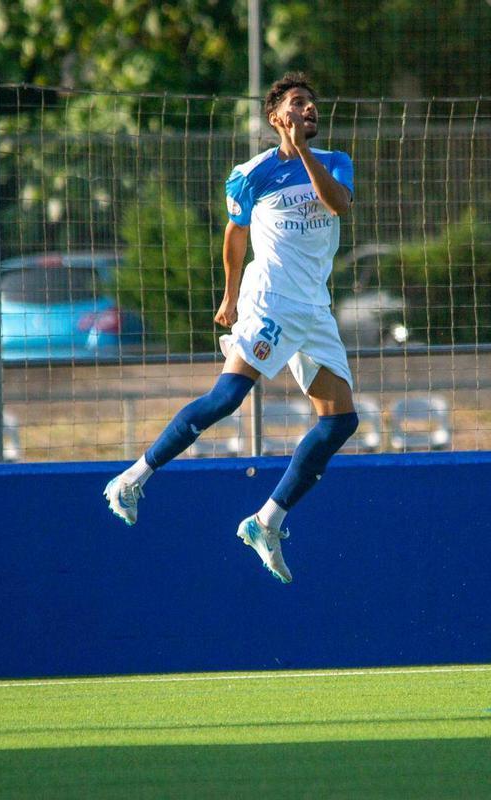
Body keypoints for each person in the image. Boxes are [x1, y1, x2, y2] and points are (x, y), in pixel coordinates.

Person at [103, 72, 359, 584]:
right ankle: (132, 479)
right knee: (226, 398)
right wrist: (229, 293)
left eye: (312, 104)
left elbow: (338, 205)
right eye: (298, 103)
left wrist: (302, 151)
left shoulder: (334, 162)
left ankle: (267, 521)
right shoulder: (251, 173)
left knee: (340, 423)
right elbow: (234, 235)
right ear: (275, 117)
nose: (309, 110)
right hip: (270, 302)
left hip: (314, 309)